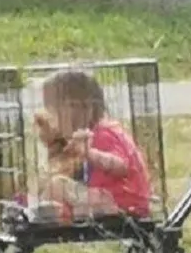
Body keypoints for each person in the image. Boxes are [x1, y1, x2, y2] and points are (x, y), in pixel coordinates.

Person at [33, 70, 152, 221]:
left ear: (77, 108)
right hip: (108, 199)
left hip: (121, 203)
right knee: (59, 185)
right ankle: (52, 213)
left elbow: (121, 165)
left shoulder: (105, 133)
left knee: (58, 185)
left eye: (53, 110)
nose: (51, 118)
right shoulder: (93, 133)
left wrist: (89, 153)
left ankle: (40, 217)